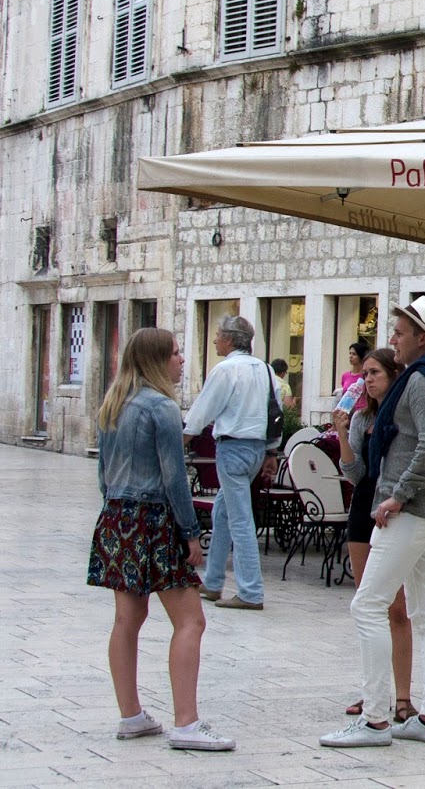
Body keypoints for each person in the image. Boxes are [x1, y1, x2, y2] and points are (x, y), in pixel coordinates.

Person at [322, 296, 425, 748]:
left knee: (367, 605)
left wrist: (397, 496)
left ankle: (374, 720)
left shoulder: (421, 380)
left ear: (422, 338)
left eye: (400, 333)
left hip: (413, 510)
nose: (392, 339)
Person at [89, 327, 236, 751]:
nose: (182, 359)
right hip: (154, 518)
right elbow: (174, 478)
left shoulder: (113, 404)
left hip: (117, 516)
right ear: (156, 360)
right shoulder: (162, 407)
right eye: (175, 353)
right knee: (191, 620)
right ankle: (186, 723)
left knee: (127, 619)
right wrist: (191, 532)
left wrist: (116, 514)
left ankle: (131, 715)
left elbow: (103, 474)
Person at [331, 348, 416, 725]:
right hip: (363, 506)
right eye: (364, 374)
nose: (367, 380)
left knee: (396, 607)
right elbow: (355, 473)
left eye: (375, 372)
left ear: (394, 374)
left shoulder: (403, 416)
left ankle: (402, 695)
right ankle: (373, 692)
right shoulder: (362, 417)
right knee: (367, 605)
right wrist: (342, 434)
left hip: (392, 509)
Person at [183, 315, 272, 610]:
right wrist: (272, 452)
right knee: (222, 512)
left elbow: (202, 411)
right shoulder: (265, 369)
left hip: (233, 448)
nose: (215, 340)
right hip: (256, 449)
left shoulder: (225, 369)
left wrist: (182, 440)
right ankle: (213, 581)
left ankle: (250, 592)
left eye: (218, 335)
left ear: (230, 339)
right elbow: (275, 413)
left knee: (240, 519)